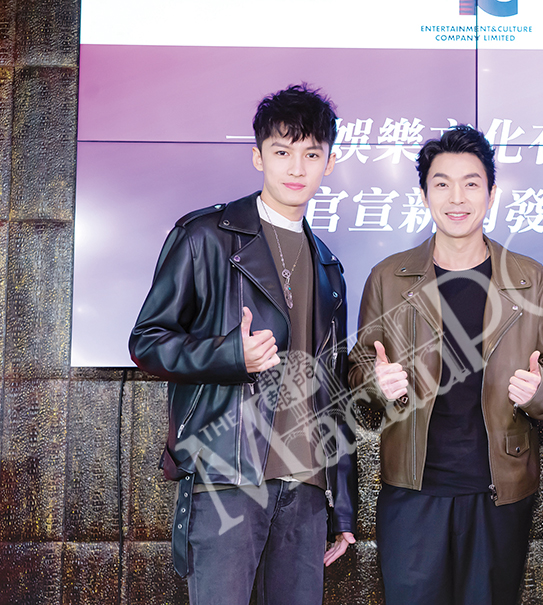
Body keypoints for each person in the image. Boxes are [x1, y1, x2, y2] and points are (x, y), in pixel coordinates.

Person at [129, 83, 357, 605]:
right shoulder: (205, 236)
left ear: (330, 162)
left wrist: (342, 504)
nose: (296, 167)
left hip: (306, 489)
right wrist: (231, 355)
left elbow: (334, 393)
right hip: (226, 477)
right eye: (282, 152)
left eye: (311, 154)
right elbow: (148, 340)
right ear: (258, 157)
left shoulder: (329, 267)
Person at [348, 125, 543, 605]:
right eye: (442, 184)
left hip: (500, 492)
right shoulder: (388, 277)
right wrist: (376, 384)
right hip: (412, 491)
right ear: (425, 194)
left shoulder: (529, 278)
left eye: (471, 183)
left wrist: (539, 392)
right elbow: (360, 369)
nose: (457, 197)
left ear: (491, 193)